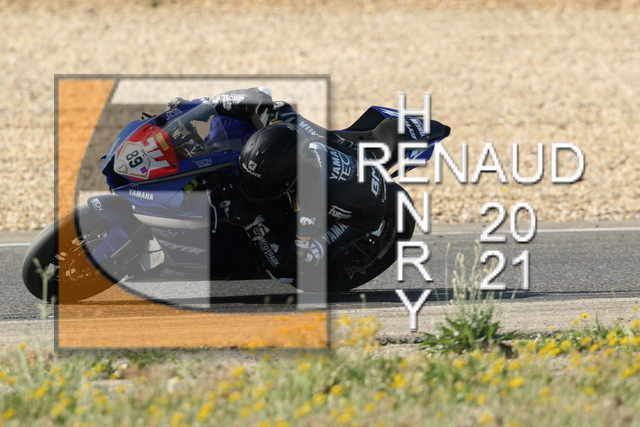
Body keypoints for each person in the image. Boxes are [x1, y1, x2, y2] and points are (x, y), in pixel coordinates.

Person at [167, 88, 388, 284]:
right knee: (228, 124)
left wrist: (252, 220)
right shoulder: (281, 119)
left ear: (290, 179)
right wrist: (196, 109)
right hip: (334, 155)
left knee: (304, 268)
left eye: (260, 184)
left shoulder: (311, 203)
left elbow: (287, 268)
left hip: (359, 213)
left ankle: (342, 257)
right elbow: (256, 96)